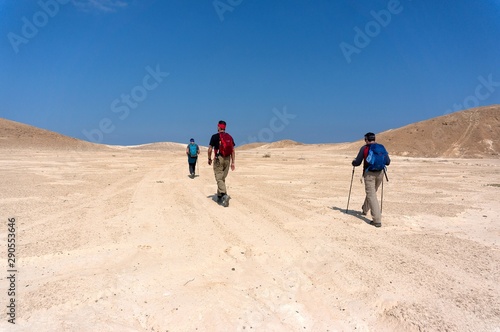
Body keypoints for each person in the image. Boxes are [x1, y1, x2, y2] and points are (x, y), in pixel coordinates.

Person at [351, 132, 390, 227]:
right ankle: (365, 209)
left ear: (366, 139)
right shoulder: (381, 147)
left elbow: (358, 162)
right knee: (372, 193)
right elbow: (388, 162)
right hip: (380, 173)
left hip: (369, 175)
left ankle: (377, 220)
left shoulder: (364, 148)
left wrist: (353, 162)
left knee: (371, 195)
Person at [208, 120, 235, 207]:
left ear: (218, 127)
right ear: (225, 127)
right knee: (222, 178)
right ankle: (219, 196)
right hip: (227, 159)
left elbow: (209, 149)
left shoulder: (214, 137)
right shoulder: (230, 137)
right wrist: (233, 162)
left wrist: (209, 158)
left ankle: (224, 195)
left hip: (218, 159)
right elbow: (233, 150)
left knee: (219, 177)